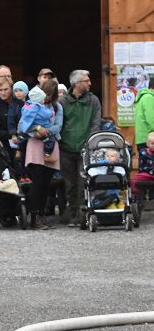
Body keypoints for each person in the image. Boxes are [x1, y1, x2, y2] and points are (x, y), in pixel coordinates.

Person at [59, 69, 102, 226]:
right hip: (66, 148)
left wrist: (90, 142)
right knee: (70, 184)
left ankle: (82, 215)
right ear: (77, 83)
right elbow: (58, 124)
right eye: (86, 80)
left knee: (83, 183)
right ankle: (72, 216)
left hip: (85, 148)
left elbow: (96, 123)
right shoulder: (62, 102)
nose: (90, 83)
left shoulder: (93, 100)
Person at [24, 78, 64, 229]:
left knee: (46, 184)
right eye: (45, 93)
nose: (46, 97)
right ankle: (33, 217)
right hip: (35, 145)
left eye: (50, 95)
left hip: (50, 144)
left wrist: (46, 131)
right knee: (37, 183)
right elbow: (24, 125)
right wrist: (37, 130)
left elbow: (58, 126)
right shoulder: (32, 104)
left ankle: (42, 214)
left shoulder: (57, 107)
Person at [19, 87, 58, 159]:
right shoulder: (39, 107)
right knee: (50, 139)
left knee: (22, 136)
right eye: (43, 99)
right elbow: (46, 114)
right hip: (42, 127)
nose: (44, 100)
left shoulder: (27, 105)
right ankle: (47, 154)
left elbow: (22, 121)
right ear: (39, 99)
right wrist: (51, 113)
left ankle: (19, 150)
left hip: (28, 128)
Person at [132, 131, 154, 200]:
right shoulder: (143, 152)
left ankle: (152, 198)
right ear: (148, 144)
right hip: (147, 173)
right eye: (152, 143)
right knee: (134, 180)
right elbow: (141, 166)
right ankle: (136, 194)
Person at [135, 76, 154, 147]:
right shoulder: (149, 97)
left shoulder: (144, 96)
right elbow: (151, 119)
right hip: (149, 139)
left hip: (143, 138)